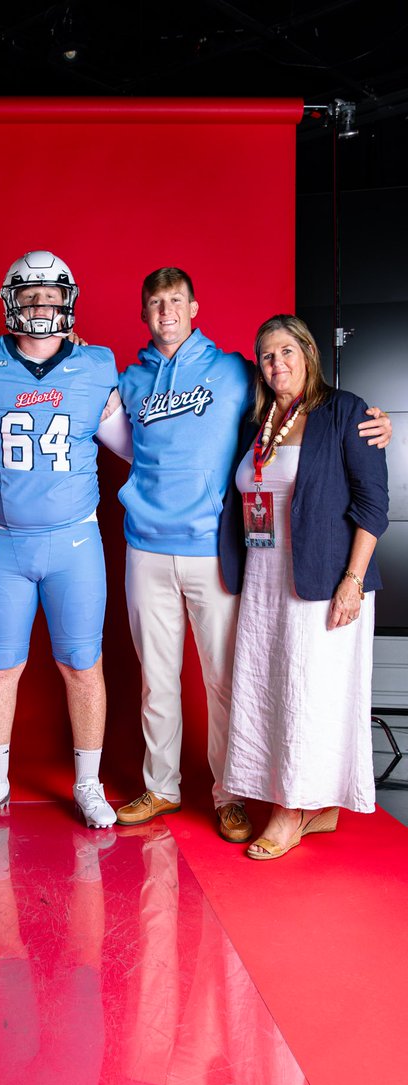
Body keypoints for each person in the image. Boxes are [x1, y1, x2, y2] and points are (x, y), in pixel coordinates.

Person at [109, 267, 391, 842]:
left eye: (176, 301)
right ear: (144, 314)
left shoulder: (235, 372)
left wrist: (380, 423)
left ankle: (232, 795)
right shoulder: (138, 382)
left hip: (237, 558)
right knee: (168, 679)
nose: (276, 363)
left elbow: (365, 487)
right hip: (199, 556)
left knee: (234, 682)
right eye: (155, 303)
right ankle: (165, 786)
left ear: (195, 308)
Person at [0, 251, 123, 829]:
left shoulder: (96, 367)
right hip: (2, 544)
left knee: (83, 665)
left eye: (50, 296)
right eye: (30, 296)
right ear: (10, 301)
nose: (41, 306)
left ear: (67, 299)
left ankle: (89, 785)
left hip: (74, 543)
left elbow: (141, 448)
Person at [219, 314, 389, 859]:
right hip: (265, 577)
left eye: (287, 351)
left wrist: (353, 582)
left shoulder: (346, 411)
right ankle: (318, 806)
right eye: (267, 356)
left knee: (307, 696)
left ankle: (288, 812)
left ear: (309, 354)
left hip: (324, 579)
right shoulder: (259, 421)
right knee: (269, 693)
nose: (277, 365)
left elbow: (373, 506)